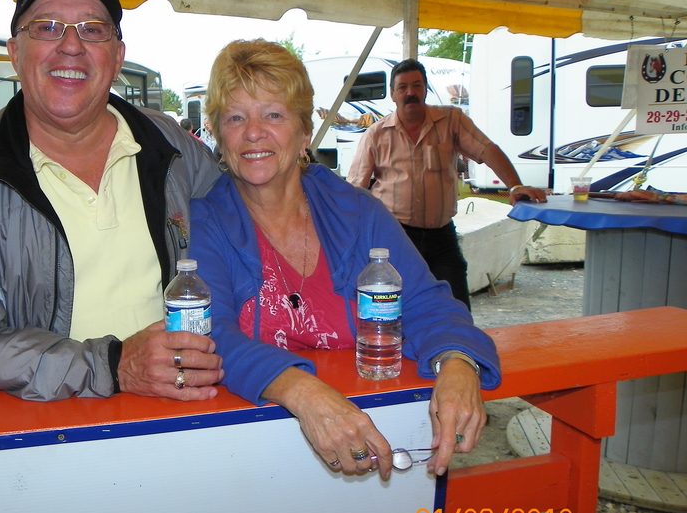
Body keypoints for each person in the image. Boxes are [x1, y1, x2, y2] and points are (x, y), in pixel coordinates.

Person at [0, 0, 223, 402]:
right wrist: (113, 366)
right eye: (47, 27)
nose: (71, 46)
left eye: (92, 29)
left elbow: (248, 243)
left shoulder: (174, 148)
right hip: (44, 426)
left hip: (177, 411)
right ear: (14, 53)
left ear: (117, 57)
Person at [190, 41, 500, 477]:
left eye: (273, 115)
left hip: (375, 436)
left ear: (304, 131)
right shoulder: (205, 221)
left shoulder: (358, 213)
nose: (254, 132)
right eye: (236, 118)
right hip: (248, 449)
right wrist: (302, 391)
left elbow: (427, 303)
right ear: (220, 137)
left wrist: (457, 361)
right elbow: (206, 335)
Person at [347, 58, 547, 309]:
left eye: (417, 85)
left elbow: (486, 149)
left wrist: (515, 186)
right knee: (396, 310)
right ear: (393, 94)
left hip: (441, 236)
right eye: (402, 87)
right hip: (395, 237)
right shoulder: (376, 134)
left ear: (425, 89)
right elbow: (355, 189)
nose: (410, 93)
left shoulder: (451, 120)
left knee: (457, 307)